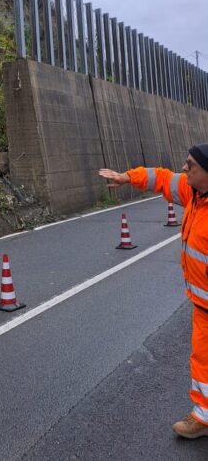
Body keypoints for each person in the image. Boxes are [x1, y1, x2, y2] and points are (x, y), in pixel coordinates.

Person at [99, 144, 208, 439]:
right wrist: (126, 177)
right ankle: (203, 416)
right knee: (202, 361)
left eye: (190, 165)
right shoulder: (194, 195)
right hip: (202, 306)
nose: (184, 168)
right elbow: (160, 177)